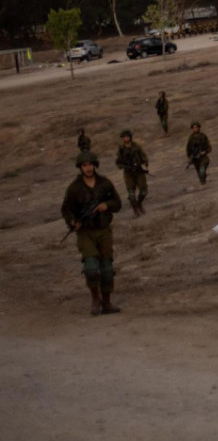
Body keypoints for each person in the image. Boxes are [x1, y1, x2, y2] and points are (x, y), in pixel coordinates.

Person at [60, 151, 123, 316]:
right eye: (84, 165)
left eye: (90, 164)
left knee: (107, 269)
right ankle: (95, 299)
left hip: (104, 231)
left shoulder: (105, 184)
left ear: (95, 165)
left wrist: (106, 205)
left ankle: (107, 302)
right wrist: (73, 222)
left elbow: (117, 204)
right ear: (80, 167)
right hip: (86, 232)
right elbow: (66, 210)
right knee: (91, 268)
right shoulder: (74, 188)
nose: (88, 168)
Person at [114, 130, 149, 217]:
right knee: (131, 193)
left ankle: (139, 204)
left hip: (138, 171)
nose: (126, 138)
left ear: (130, 137)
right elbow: (118, 162)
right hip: (128, 173)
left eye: (127, 136)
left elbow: (143, 155)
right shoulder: (121, 149)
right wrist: (125, 167)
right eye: (124, 137)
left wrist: (145, 162)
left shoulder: (136, 146)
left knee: (144, 191)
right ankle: (135, 209)